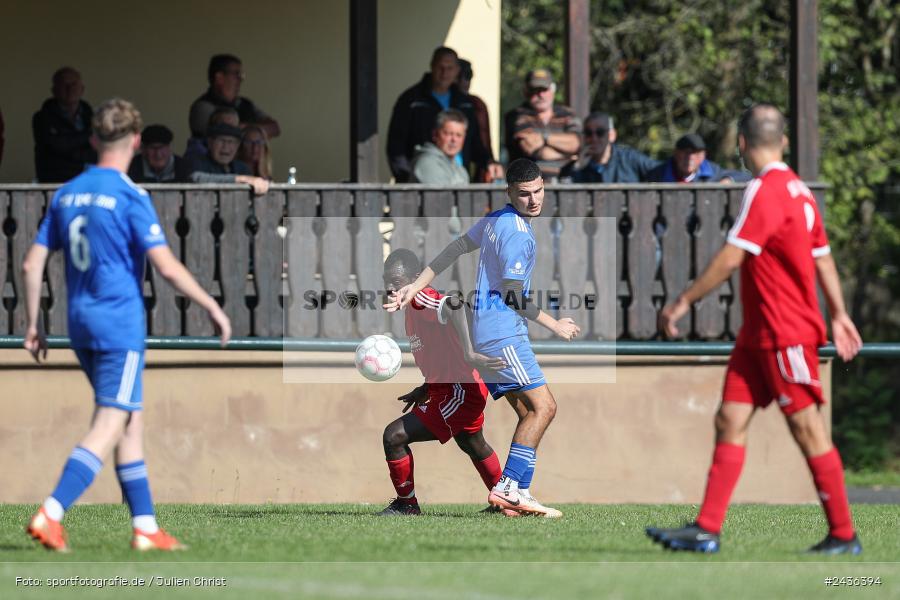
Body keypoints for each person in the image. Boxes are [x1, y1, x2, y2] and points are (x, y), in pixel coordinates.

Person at [647, 104, 864, 554]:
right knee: (730, 418)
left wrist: (683, 301)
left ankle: (844, 535)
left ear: (742, 144)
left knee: (808, 430)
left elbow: (732, 256)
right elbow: (823, 257)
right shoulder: (801, 191)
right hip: (758, 335)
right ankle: (707, 529)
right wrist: (840, 312)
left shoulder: (765, 190)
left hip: (785, 333)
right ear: (783, 141)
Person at [23, 98, 232, 552]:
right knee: (110, 420)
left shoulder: (66, 193)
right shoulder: (130, 196)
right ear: (136, 142)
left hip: (79, 323)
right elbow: (168, 268)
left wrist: (33, 323)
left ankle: (145, 527)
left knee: (130, 422)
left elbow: (31, 262)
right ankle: (51, 512)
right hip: (118, 324)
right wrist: (211, 306)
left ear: (95, 138)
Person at [386, 158, 581, 518]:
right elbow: (511, 294)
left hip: (486, 334)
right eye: (524, 194)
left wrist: (414, 286)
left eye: (538, 191)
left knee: (525, 411)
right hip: (503, 332)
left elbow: (454, 249)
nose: (533, 200)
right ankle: (509, 489)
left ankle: (516, 493)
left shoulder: (496, 220)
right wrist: (554, 325)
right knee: (545, 408)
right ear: (509, 192)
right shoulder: (517, 233)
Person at [378, 249, 505, 515]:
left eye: (397, 281)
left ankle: (406, 505)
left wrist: (470, 353)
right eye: (386, 280)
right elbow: (442, 351)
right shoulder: (411, 308)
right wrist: (425, 387)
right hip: (451, 389)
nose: (391, 287)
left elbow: (456, 305)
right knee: (472, 442)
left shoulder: (421, 297)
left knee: (394, 436)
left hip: (458, 391)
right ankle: (507, 501)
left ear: (415, 278)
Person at [387, 46, 500, 183]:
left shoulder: (465, 103)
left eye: (450, 68)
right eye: (441, 67)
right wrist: (408, 181)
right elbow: (396, 146)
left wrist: (489, 162)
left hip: (459, 177)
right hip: (423, 181)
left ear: (457, 71)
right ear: (432, 67)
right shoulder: (411, 101)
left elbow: (476, 142)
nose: (444, 72)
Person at [187, 54, 280, 152]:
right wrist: (256, 130)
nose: (241, 79)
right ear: (219, 78)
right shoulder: (202, 107)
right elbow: (223, 135)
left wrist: (244, 127)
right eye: (236, 74)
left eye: (241, 75)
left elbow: (275, 128)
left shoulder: (245, 104)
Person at [504, 69, 581, 182]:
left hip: (567, 183)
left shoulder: (567, 114)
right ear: (525, 91)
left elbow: (577, 143)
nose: (540, 95)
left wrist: (544, 138)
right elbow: (533, 149)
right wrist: (570, 157)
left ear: (552, 90)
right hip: (528, 187)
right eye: (535, 90)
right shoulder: (516, 115)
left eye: (544, 89)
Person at [32, 67, 97, 182]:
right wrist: (88, 136)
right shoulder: (42, 118)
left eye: (74, 84)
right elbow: (56, 148)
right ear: (54, 90)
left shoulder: (93, 117)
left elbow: (97, 151)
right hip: (54, 183)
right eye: (64, 84)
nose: (70, 89)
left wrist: (70, 145)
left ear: (82, 89)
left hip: (87, 181)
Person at [571, 112, 660, 183]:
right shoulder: (578, 166)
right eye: (588, 133)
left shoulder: (629, 159)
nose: (594, 138)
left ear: (612, 135)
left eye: (600, 132)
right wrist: (578, 167)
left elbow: (662, 171)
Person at [188, 123, 269, 195]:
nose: (226, 147)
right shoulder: (198, 161)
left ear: (237, 146)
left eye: (231, 142)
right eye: (221, 141)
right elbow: (196, 177)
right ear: (210, 143)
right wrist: (239, 179)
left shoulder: (242, 168)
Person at [457, 59, 502, 182]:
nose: (463, 81)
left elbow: (483, 143)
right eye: (459, 76)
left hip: (471, 170)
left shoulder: (476, 104)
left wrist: (488, 163)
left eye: (468, 76)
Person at [647, 133, 749, 183]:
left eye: (696, 153)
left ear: (703, 156)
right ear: (676, 153)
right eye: (686, 152)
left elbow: (746, 177)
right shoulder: (659, 173)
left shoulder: (712, 172)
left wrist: (729, 180)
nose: (690, 157)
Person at [410, 110, 470, 185]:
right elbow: (441, 196)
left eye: (459, 135)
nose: (454, 140)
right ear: (435, 134)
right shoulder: (428, 164)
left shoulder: (460, 169)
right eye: (448, 134)